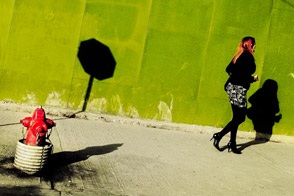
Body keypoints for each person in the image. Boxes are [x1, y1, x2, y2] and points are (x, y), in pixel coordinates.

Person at [211, 36, 258, 154]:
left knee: (236, 117)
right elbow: (242, 74)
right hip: (238, 89)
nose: (255, 46)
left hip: (231, 88)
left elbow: (229, 69)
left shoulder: (239, 55)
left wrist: (237, 77)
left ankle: (232, 143)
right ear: (250, 45)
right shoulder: (248, 57)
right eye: (254, 44)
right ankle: (219, 135)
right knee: (240, 117)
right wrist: (252, 78)